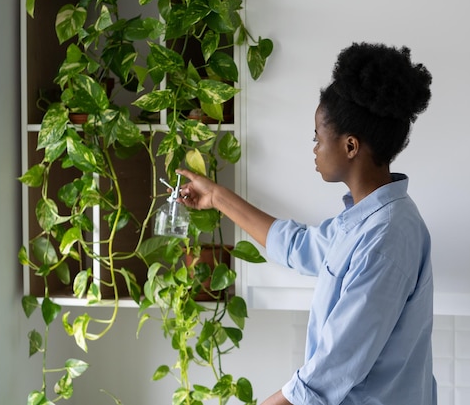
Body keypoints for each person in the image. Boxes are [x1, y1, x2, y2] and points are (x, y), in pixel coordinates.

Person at [177, 42, 436, 405]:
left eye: (318, 137)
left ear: (350, 146)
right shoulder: (364, 222)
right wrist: (215, 197)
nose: (314, 147)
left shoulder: (386, 236)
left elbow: (334, 365)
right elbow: (297, 246)